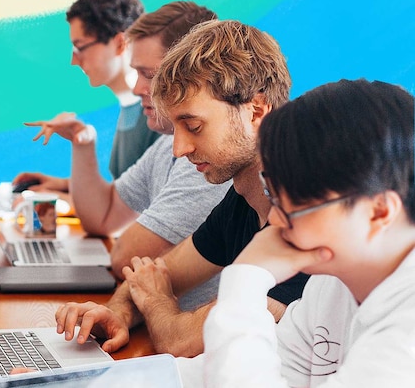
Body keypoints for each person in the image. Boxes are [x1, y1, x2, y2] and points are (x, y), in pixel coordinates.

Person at [55, 20, 309, 357]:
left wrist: (159, 303)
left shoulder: (307, 218)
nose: (179, 148)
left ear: (256, 112)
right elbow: (155, 276)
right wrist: (117, 313)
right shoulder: (242, 199)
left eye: (193, 126)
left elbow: (182, 340)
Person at [179, 79, 415, 387]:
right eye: (272, 196)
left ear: (379, 211)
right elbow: (245, 371)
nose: (275, 221)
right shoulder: (331, 286)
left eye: (291, 208)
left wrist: (245, 281)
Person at [24, 2, 228, 310]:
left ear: (190, 74)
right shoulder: (165, 144)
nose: (136, 88)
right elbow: (102, 217)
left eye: (148, 74)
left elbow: (125, 259)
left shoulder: (205, 160)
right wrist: (82, 142)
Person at [13, 0, 157, 196]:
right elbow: (126, 192)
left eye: (80, 47)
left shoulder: (155, 116)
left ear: (119, 43)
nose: (73, 61)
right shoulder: (129, 107)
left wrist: (65, 199)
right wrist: (66, 186)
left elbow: (139, 209)